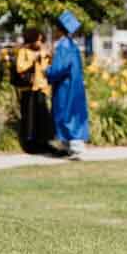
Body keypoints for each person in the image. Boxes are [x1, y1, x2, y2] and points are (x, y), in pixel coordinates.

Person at [46, 10, 90, 159]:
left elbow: (59, 68)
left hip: (66, 87)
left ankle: (77, 149)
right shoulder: (72, 45)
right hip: (74, 85)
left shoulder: (63, 47)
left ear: (60, 29)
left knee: (67, 114)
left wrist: (47, 71)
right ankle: (68, 148)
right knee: (73, 113)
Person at [12, 27, 52, 153]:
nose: (40, 43)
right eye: (38, 40)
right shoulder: (23, 51)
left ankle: (44, 142)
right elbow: (20, 68)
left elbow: (47, 68)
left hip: (41, 87)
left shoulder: (43, 50)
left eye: (41, 41)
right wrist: (34, 59)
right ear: (32, 39)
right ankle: (30, 145)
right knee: (29, 117)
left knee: (42, 117)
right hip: (28, 89)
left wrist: (48, 57)